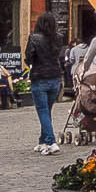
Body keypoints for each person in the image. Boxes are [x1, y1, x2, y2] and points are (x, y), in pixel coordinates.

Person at [24, 11, 64, 155]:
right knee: (46, 110)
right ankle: (42, 141)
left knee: (42, 111)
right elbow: (59, 55)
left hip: (39, 77)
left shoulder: (34, 38)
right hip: (55, 77)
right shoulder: (59, 38)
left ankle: (51, 141)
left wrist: (31, 61)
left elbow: (28, 58)